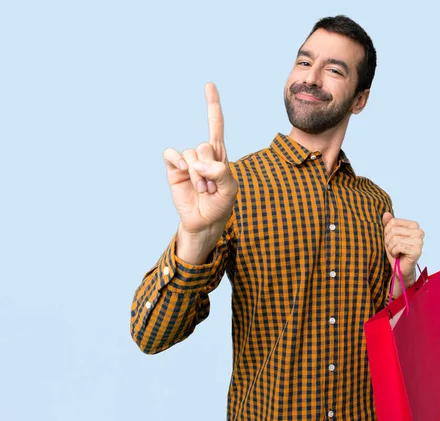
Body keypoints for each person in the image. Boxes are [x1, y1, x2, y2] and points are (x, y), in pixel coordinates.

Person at [130, 15, 425, 421]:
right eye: (304, 63)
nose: (312, 78)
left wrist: (403, 286)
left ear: (360, 99)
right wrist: (194, 237)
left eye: (334, 70)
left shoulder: (376, 203)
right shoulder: (237, 187)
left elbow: (401, 361)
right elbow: (150, 335)